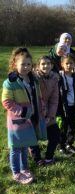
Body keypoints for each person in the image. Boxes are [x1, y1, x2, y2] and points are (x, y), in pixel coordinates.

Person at [2, 48, 46, 184]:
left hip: (30, 119)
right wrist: (22, 111)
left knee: (25, 145)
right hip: (17, 120)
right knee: (16, 147)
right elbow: (6, 101)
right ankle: (16, 172)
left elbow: (38, 96)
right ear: (15, 64)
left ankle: (25, 169)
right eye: (23, 64)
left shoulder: (33, 80)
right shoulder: (10, 82)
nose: (26, 67)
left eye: (28, 64)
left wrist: (42, 105)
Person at [29, 56, 60, 165]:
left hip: (47, 112)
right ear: (38, 66)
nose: (46, 66)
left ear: (52, 65)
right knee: (32, 137)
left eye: (48, 63)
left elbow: (54, 99)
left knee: (55, 135)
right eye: (43, 64)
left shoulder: (54, 78)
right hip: (34, 111)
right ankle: (37, 159)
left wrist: (50, 116)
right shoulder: (32, 78)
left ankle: (48, 157)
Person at [57, 54, 75, 156]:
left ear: (74, 64)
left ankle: (69, 144)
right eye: (67, 63)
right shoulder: (59, 77)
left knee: (72, 126)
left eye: (71, 63)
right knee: (63, 127)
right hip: (64, 107)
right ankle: (61, 146)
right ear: (62, 64)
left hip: (73, 105)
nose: (69, 65)